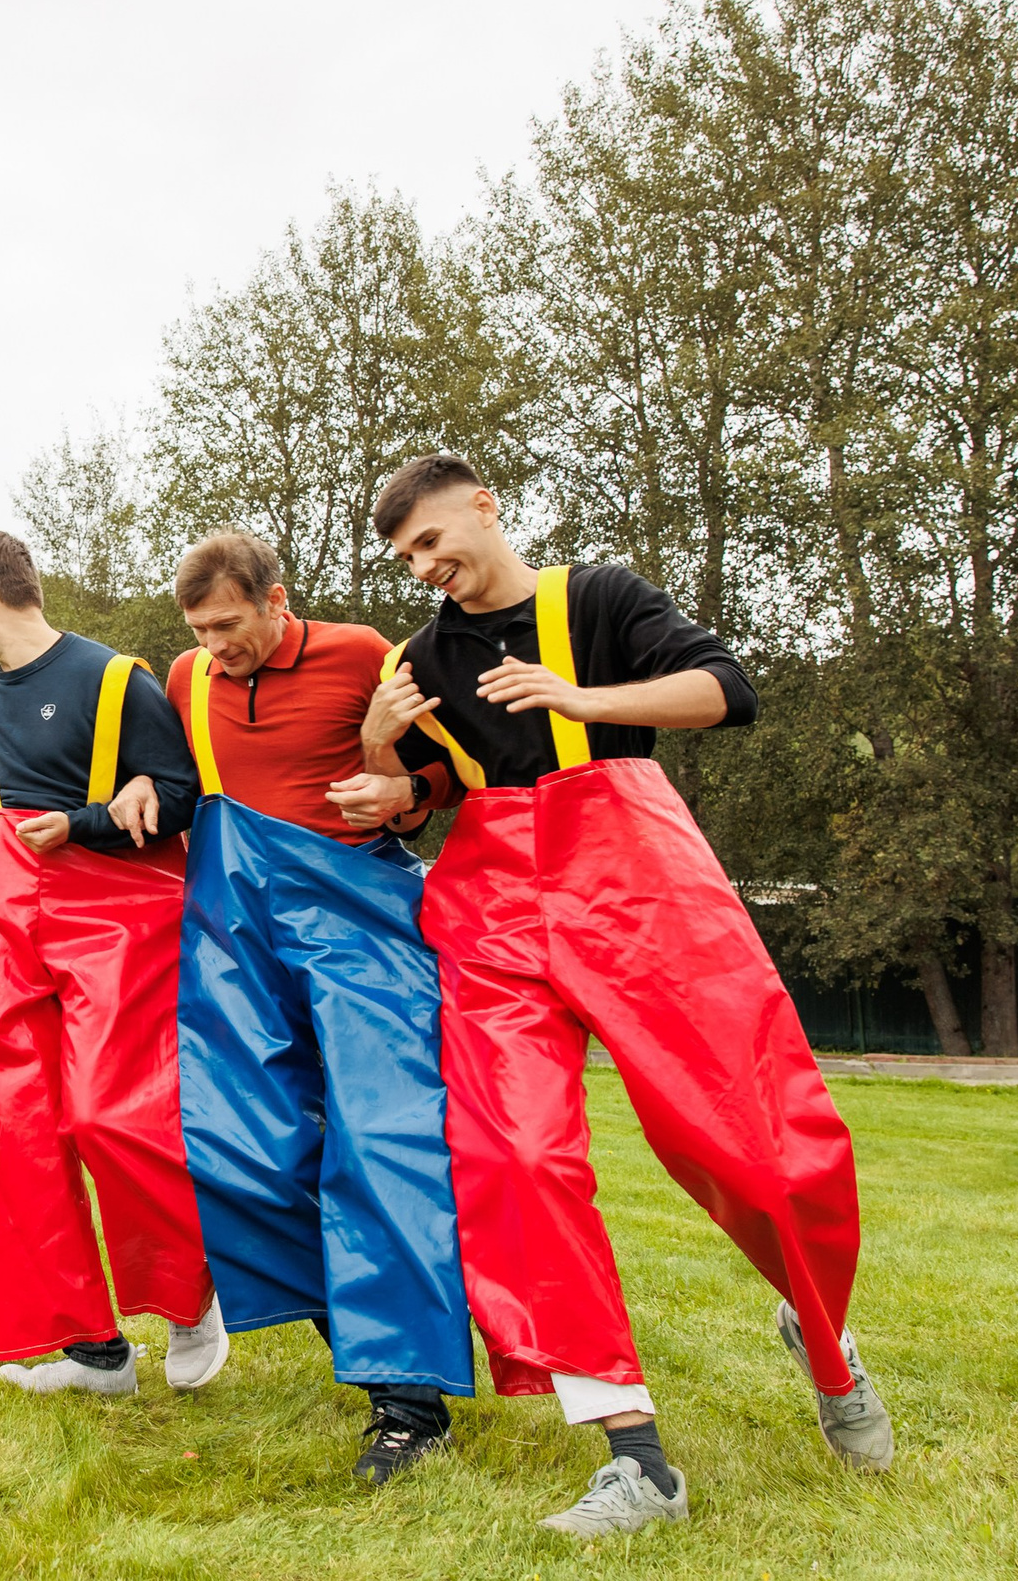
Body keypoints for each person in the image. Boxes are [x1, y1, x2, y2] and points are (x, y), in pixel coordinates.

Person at [339, 454, 892, 1537]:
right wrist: (378, 752)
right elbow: (418, 795)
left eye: (430, 540)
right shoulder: (422, 659)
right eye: (405, 557)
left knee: (754, 1145)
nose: (424, 567)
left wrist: (577, 697)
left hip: (635, 877)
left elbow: (726, 691)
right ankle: (634, 1455)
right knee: (514, 1156)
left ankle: (825, 1343)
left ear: (482, 506)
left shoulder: (598, 598)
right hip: (491, 901)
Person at [108, 528, 476, 1483]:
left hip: (361, 920)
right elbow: (176, 780)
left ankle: (407, 1401)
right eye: (200, 628)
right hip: (239, 929)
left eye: (229, 623)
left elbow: (449, 775)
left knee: (382, 1137)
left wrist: (400, 790)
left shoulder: (364, 654)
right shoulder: (186, 677)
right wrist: (149, 778)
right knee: (242, 1148)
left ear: (277, 601)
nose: (216, 643)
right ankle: (361, 1335)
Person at [0, 531, 210, 1397]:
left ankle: (188, 1295)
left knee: (111, 1116)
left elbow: (181, 796)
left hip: (116, 925)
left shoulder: (115, 679)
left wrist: (89, 822)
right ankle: (95, 1352)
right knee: (19, 1136)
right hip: (11, 936)